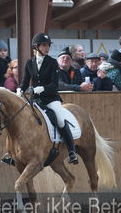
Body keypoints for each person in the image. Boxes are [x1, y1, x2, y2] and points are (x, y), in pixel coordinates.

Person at [18, 32, 78, 164]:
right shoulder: (29, 63)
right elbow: (25, 81)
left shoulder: (52, 62)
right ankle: (14, 153)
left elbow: (54, 84)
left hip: (51, 99)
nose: (47, 48)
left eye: (48, 45)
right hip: (36, 100)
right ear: (36, 47)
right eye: (44, 45)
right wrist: (19, 90)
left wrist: (43, 88)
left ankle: (72, 151)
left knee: (60, 119)